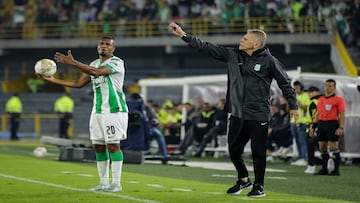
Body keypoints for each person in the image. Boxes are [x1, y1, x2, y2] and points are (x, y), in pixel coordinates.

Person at [169, 22, 298, 197]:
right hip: (237, 113)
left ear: (256, 44)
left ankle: (259, 186)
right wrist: (184, 35)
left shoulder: (270, 61)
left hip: (258, 114)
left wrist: (294, 106)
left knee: (258, 152)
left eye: (246, 38)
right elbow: (207, 47)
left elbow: (285, 84)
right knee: (233, 149)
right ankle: (244, 179)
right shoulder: (232, 55)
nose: (241, 40)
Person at [38, 36, 128, 192]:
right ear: (97, 47)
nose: (104, 46)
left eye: (108, 44)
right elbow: (78, 83)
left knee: (113, 145)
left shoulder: (117, 62)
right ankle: (104, 182)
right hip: (98, 111)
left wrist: (73, 63)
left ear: (113, 49)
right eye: (101, 44)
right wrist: (53, 81)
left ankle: (117, 183)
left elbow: (98, 72)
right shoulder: (93, 63)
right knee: (98, 147)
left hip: (114, 110)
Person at [314, 79, 345, 176]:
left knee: (334, 147)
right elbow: (318, 113)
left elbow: (342, 114)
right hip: (322, 124)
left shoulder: (338, 99)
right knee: (322, 147)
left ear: (334, 88)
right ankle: (324, 169)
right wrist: (313, 126)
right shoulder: (321, 99)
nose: (328, 88)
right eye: (326, 86)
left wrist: (341, 127)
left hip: (332, 124)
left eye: (330, 86)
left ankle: (336, 170)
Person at [290, 80, 310, 166]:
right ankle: (300, 157)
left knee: (303, 140)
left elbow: (307, 107)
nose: (295, 89)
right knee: (297, 141)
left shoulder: (306, 95)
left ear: (301, 87)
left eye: (297, 87)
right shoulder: (293, 96)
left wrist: (298, 104)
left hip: (303, 121)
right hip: (293, 121)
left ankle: (304, 158)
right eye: (294, 87)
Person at [304, 86, 321, 174]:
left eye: (311, 92)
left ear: (316, 92)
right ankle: (329, 165)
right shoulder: (320, 101)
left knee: (311, 148)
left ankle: (311, 166)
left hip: (312, 127)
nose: (308, 94)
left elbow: (314, 117)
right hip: (318, 127)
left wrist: (312, 128)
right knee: (321, 148)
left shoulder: (314, 102)